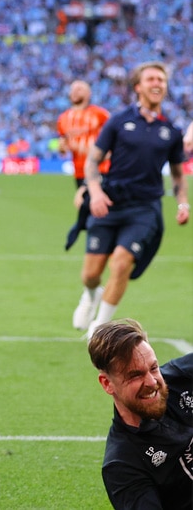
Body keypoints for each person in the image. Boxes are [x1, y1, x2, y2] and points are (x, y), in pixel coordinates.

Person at [75, 61, 188, 337]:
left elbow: (177, 174)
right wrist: (96, 192)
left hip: (144, 208)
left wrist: (182, 202)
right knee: (90, 274)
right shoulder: (118, 121)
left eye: (161, 79)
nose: (157, 83)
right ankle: (91, 293)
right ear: (138, 87)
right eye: (151, 79)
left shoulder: (170, 131)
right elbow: (93, 161)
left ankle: (99, 326)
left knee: (122, 261)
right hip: (110, 203)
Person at [87, 319, 192, 510]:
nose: (152, 382)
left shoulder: (180, 378)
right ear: (107, 384)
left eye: (153, 368)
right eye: (135, 375)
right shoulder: (123, 464)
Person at [57, 80, 111, 189]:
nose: (74, 92)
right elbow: (63, 143)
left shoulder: (100, 114)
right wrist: (62, 148)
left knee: (97, 203)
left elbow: (114, 135)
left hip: (100, 169)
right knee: (84, 204)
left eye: (79, 89)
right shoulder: (63, 118)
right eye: (72, 89)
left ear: (88, 94)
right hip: (79, 170)